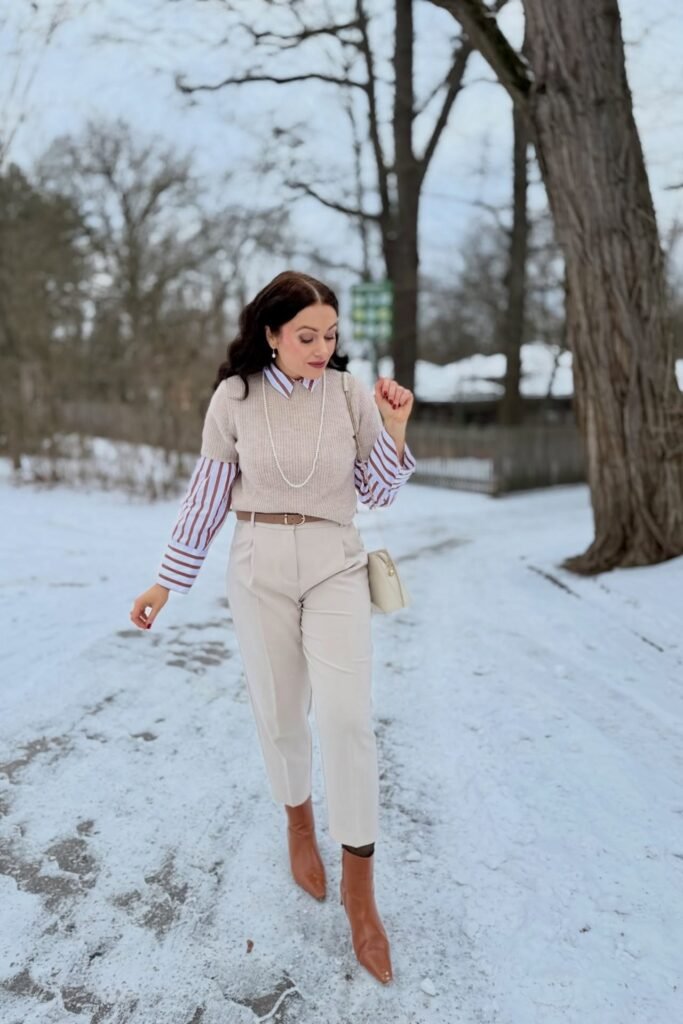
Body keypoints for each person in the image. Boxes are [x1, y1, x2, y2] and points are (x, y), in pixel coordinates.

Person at [129, 270, 416, 984]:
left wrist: (394, 427)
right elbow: (206, 497)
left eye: (331, 336)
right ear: (271, 334)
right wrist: (166, 582)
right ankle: (297, 824)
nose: (322, 348)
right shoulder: (235, 398)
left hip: (333, 561)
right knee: (282, 716)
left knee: (347, 719)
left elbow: (377, 490)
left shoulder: (349, 394)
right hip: (256, 561)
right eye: (307, 336)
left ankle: (360, 892)